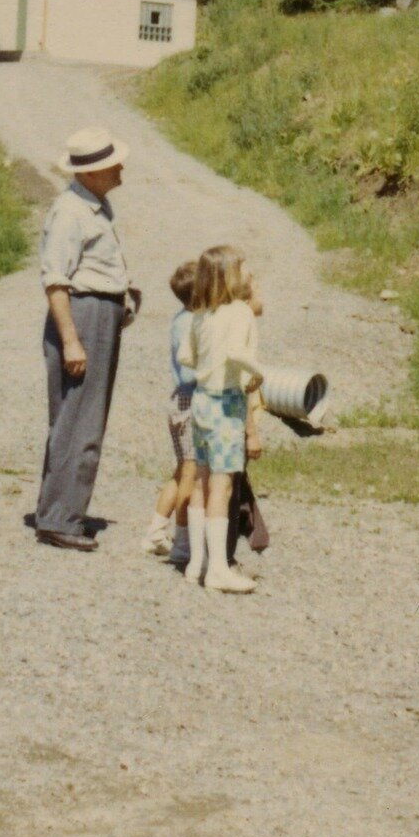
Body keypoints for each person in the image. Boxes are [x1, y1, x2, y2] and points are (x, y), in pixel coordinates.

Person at [34, 126, 142, 552]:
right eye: (113, 164)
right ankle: (59, 518)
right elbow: (56, 281)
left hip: (99, 314)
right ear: (92, 172)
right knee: (78, 418)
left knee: (81, 416)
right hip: (83, 316)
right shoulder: (70, 212)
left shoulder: (95, 206)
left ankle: (61, 510)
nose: (121, 169)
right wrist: (72, 340)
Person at [176, 244, 268, 594]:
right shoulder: (241, 312)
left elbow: (186, 355)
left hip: (200, 400)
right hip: (227, 403)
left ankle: (195, 562)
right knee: (223, 483)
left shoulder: (200, 313)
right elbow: (238, 354)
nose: (249, 274)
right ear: (231, 275)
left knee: (200, 480)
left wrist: (206, 366)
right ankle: (218, 568)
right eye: (244, 268)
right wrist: (256, 375)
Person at [143, 260, 200, 560]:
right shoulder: (190, 324)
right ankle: (183, 540)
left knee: (181, 471)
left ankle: (156, 531)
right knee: (191, 472)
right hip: (189, 402)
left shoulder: (182, 318)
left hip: (179, 401)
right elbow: (190, 372)